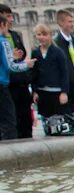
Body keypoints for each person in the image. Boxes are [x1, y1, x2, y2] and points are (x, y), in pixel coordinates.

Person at [0, 3, 32, 138]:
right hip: (3, 85)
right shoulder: (3, 41)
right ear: (2, 25)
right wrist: (27, 64)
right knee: (10, 121)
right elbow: (11, 66)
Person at [29, 23, 68, 123]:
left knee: (58, 120)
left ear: (50, 35)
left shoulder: (58, 52)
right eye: (39, 34)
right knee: (45, 119)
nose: (41, 37)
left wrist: (64, 92)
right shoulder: (35, 52)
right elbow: (34, 73)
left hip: (56, 91)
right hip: (42, 91)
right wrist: (35, 90)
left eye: (44, 34)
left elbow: (64, 72)